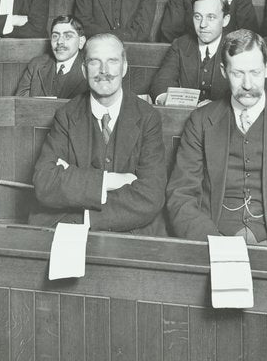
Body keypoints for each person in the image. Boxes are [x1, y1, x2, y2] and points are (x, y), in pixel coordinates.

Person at [165, 29, 267, 251]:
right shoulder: (201, 121)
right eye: (238, 73)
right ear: (224, 71)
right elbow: (181, 196)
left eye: (254, 72)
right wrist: (212, 243)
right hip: (214, 238)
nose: (247, 84)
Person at [30, 33, 167, 231]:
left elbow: (151, 195)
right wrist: (110, 181)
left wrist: (83, 208)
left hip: (130, 229)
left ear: (124, 67)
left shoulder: (147, 117)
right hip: (73, 232)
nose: (104, 71)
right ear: (84, 70)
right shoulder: (67, 115)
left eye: (112, 61)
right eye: (95, 62)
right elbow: (45, 183)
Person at [151, 0, 233, 104]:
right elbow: (161, 83)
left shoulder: (235, 49)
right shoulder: (180, 45)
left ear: (225, 20)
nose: (203, 25)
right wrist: (167, 100)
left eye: (211, 17)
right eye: (198, 17)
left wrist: (216, 107)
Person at [15, 15, 90, 98]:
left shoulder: (90, 69)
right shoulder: (36, 65)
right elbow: (20, 104)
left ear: (81, 42)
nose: (59, 42)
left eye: (68, 36)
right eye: (55, 36)